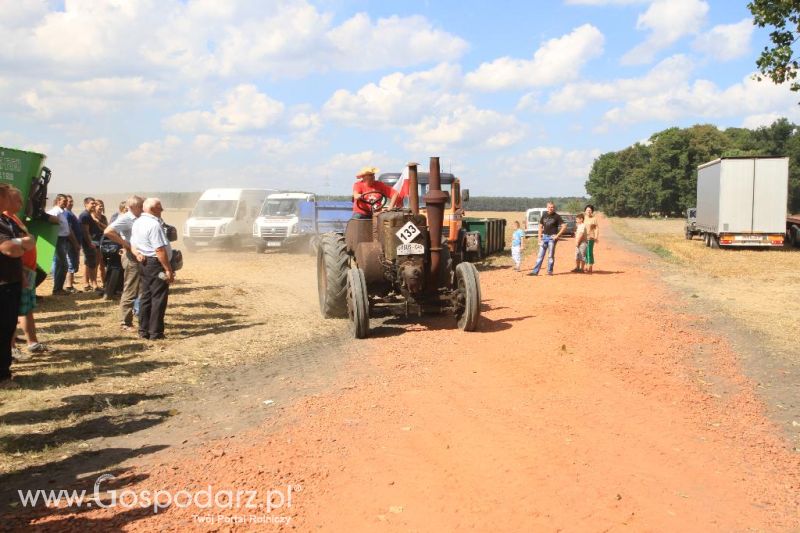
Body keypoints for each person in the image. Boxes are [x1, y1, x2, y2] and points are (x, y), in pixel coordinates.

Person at [3, 188, 46, 358]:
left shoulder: (13, 219)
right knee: (11, 312)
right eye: (17, 200)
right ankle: (11, 347)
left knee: (25, 309)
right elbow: (12, 248)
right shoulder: (5, 220)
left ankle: (31, 343)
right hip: (18, 272)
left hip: (26, 271)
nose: (21, 204)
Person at [0, 184, 36, 388]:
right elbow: (9, 249)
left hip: (12, 281)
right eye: (7, 197)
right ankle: (2, 377)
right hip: (2, 284)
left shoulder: (5, 221)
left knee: (7, 328)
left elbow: (25, 243)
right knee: (2, 329)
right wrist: (22, 244)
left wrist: (20, 244)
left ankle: (4, 372)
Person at [130, 198, 174, 340]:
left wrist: (137, 253)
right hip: (156, 265)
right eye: (160, 208)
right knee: (159, 297)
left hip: (145, 264)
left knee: (146, 296)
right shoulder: (154, 225)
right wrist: (168, 269)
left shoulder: (138, 222)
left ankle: (143, 330)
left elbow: (133, 243)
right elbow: (160, 249)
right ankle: (156, 332)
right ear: (153, 209)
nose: (162, 210)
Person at [104, 196, 144, 331]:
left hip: (140, 256)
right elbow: (108, 231)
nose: (144, 208)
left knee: (141, 288)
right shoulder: (126, 218)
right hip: (131, 257)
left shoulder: (140, 217)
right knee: (131, 289)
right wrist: (126, 244)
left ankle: (141, 317)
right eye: (141, 206)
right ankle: (125, 322)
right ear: (133, 207)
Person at [46, 194, 79, 295]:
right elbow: (47, 220)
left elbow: (67, 229)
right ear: (58, 201)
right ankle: (57, 289)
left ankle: (58, 288)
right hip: (58, 239)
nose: (65, 202)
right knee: (63, 264)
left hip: (63, 240)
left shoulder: (63, 212)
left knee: (61, 265)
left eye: (66, 201)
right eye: (63, 201)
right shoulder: (55, 211)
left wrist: (75, 242)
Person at [528, 202, 565, 276]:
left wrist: (557, 235)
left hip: (552, 238)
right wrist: (539, 237)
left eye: (552, 207)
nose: (550, 208)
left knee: (550, 255)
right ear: (547, 207)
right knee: (540, 255)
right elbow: (540, 226)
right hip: (544, 237)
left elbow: (564, 226)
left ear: (554, 208)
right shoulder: (544, 215)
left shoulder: (557, 216)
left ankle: (549, 271)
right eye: (549, 207)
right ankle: (535, 272)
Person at [79, 197, 102, 292]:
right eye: (92, 203)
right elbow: (85, 231)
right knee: (91, 264)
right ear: (86, 204)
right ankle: (94, 285)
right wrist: (90, 243)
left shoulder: (88, 215)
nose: (94, 205)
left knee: (91, 263)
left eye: (94, 204)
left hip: (91, 242)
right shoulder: (84, 215)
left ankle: (93, 284)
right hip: (89, 243)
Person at [64, 195, 82, 292]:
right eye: (69, 201)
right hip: (71, 243)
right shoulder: (67, 214)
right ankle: (69, 286)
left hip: (73, 243)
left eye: (72, 201)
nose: (71, 203)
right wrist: (75, 243)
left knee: (73, 264)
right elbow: (69, 230)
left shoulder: (70, 213)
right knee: (71, 264)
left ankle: (69, 284)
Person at [94, 199, 109, 288]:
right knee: (94, 265)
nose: (101, 206)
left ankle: (104, 282)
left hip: (103, 241)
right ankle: (93, 282)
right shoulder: (92, 216)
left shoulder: (103, 218)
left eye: (102, 205)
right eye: (99, 205)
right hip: (94, 241)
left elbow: (107, 228)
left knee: (103, 264)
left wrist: (99, 223)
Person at [584, 204, 600, 274]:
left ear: (592, 211)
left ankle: (589, 267)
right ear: (585, 211)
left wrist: (596, 237)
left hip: (590, 237)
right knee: (583, 252)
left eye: (590, 210)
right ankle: (583, 267)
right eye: (587, 210)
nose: (589, 211)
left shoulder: (594, 219)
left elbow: (596, 228)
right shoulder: (583, 218)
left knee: (589, 252)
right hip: (583, 238)